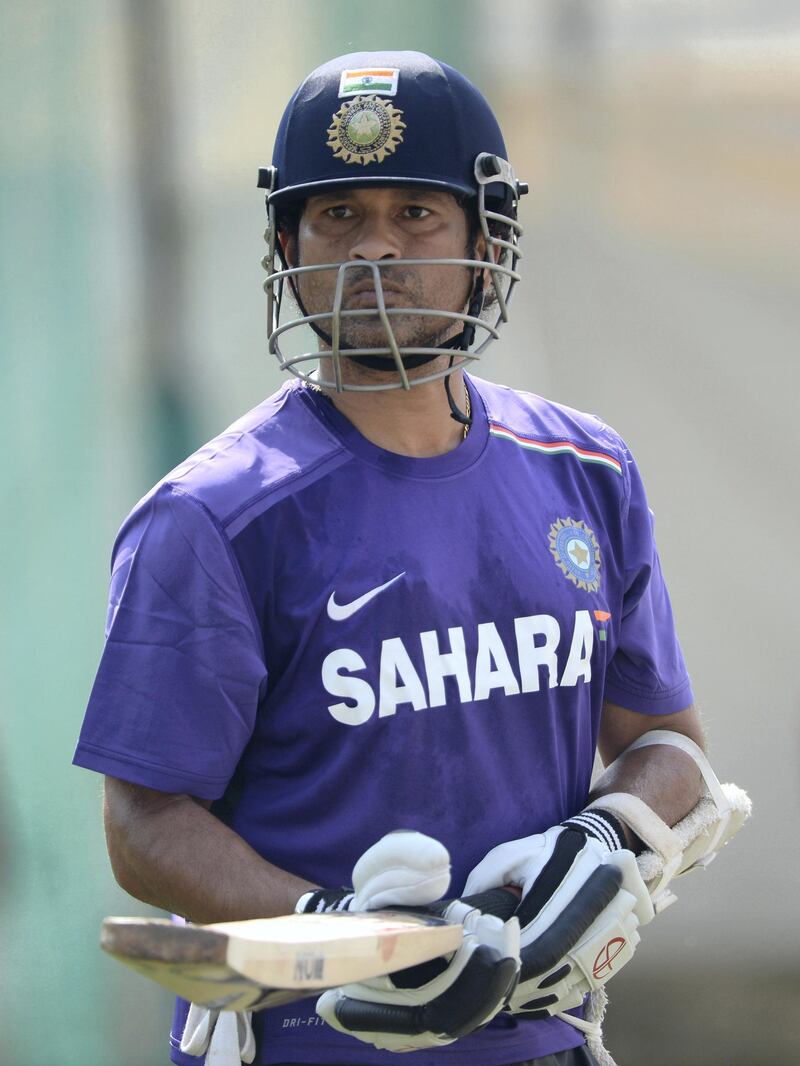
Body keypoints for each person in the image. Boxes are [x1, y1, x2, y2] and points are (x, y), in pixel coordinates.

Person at [74, 50, 741, 1066]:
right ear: (286, 247)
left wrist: (599, 841)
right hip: (308, 1045)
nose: (374, 250)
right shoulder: (212, 516)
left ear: (487, 237)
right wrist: (343, 929)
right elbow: (146, 823)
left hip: (541, 1042)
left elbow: (667, 747)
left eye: (415, 214)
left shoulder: (584, 467)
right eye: (337, 215)